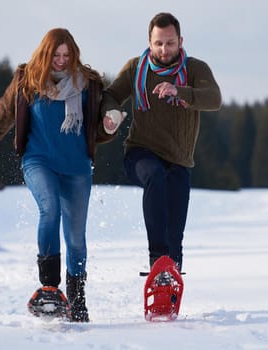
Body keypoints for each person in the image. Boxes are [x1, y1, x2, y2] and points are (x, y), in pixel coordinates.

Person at [0, 28, 115, 322]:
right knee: (50, 210)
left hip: (77, 167)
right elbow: (4, 112)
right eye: (56, 55)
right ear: (45, 53)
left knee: (76, 238)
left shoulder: (88, 83)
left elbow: (98, 125)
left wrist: (109, 125)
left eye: (67, 55)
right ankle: (49, 288)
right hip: (38, 161)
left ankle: (78, 301)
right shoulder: (27, 79)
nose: (61, 60)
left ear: (74, 55)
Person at [102, 12, 222, 272]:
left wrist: (179, 91)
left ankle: (170, 279)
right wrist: (110, 114)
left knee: (175, 238)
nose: (164, 49)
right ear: (149, 41)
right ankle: (157, 261)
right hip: (140, 154)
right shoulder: (136, 68)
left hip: (179, 159)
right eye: (158, 43)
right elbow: (110, 95)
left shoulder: (195, 69)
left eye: (170, 43)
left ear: (180, 40)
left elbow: (213, 98)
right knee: (155, 175)